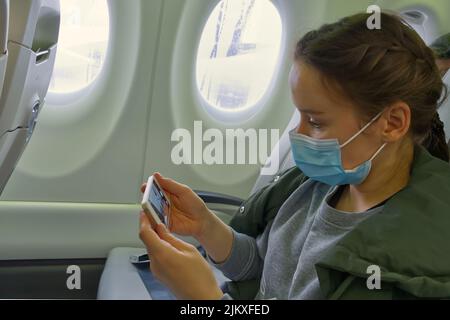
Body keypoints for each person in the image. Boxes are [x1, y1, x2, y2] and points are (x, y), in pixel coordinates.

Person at [139, 12, 450, 300]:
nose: (297, 134)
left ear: (392, 123)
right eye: (298, 116)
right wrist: (205, 227)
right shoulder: (315, 186)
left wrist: (202, 298)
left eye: (315, 122)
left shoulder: (400, 264)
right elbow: (263, 271)